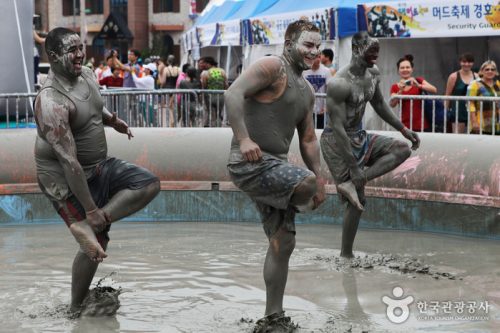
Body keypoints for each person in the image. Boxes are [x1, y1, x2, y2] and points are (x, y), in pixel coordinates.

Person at [34, 28, 160, 313]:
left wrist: (113, 121)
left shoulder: (88, 73)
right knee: (94, 245)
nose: (80, 54)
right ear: (53, 57)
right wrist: (90, 208)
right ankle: (75, 308)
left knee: (149, 184)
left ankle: (90, 227)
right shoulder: (51, 100)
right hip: (63, 178)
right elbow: (68, 161)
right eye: (72, 50)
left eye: (81, 47)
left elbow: (93, 108)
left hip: (98, 166)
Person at [225, 20, 326, 332]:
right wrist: (243, 139)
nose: (314, 51)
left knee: (283, 242)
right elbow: (232, 94)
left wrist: (321, 178)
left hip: (275, 170)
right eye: (307, 45)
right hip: (249, 162)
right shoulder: (273, 66)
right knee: (305, 183)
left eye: (317, 46)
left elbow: (308, 139)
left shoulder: (307, 91)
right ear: (289, 43)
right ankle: (301, 199)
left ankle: (273, 318)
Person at [321, 32, 420, 258]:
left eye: (377, 54)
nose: (375, 58)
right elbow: (337, 128)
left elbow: (380, 105)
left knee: (402, 149)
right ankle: (346, 255)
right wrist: (353, 167)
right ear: (356, 50)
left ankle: (354, 182)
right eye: (370, 53)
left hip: (359, 135)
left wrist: (403, 129)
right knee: (358, 200)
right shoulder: (339, 83)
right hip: (337, 141)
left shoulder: (373, 74)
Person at [389, 54, 437, 132]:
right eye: (402, 68)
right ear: (398, 70)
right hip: (404, 126)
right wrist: (400, 91)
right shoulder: (395, 86)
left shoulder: (418, 80)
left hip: (422, 125)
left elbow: (434, 89)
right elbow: (392, 104)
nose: (405, 70)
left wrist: (418, 85)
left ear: (412, 69)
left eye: (407, 67)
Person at [444, 53, 479, 133]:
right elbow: (447, 95)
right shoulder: (453, 76)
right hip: (457, 111)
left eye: (469, 62)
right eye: (464, 62)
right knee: (457, 137)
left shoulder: (477, 77)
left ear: (473, 63)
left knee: (474, 137)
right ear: (460, 62)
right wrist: (445, 112)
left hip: (473, 112)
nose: (466, 64)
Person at [467, 60, 500, 135]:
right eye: (487, 69)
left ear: (496, 72)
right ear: (481, 71)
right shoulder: (475, 84)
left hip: (497, 124)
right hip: (481, 123)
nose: (490, 71)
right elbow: (470, 103)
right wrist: (474, 121)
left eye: (492, 69)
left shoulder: (497, 84)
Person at [303, 54, 332, 129]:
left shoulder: (326, 71)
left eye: (319, 57)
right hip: (307, 109)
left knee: (320, 130)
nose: (318, 59)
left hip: (321, 109)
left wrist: (327, 106)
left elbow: (330, 89)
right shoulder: (304, 71)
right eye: (316, 57)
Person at [199, 56, 228, 127]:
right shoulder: (222, 71)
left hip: (210, 96)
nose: (204, 65)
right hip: (221, 96)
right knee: (219, 114)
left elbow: (204, 86)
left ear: (209, 64)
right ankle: (219, 127)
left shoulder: (205, 73)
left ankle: (214, 129)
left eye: (205, 64)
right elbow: (226, 84)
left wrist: (203, 96)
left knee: (212, 115)